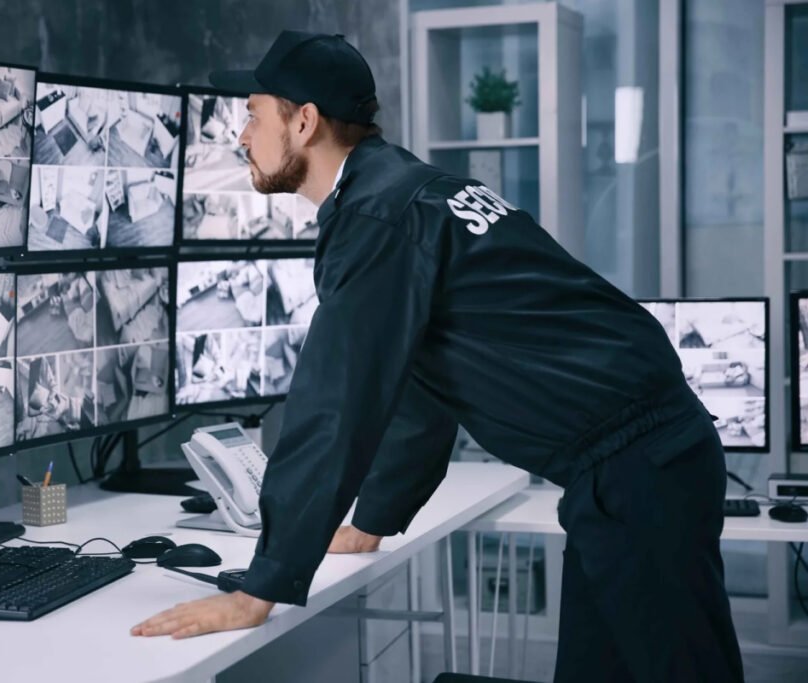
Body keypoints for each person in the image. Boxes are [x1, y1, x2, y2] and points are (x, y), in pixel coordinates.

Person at [131, 31, 744, 682]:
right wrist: (372, 521)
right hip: (635, 465)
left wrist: (263, 585)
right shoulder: (411, 189)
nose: (241, 135)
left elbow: (338, 402)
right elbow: (420, 391)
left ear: (303, 121)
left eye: (252, 114)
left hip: (640, 467)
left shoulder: (375, 215)